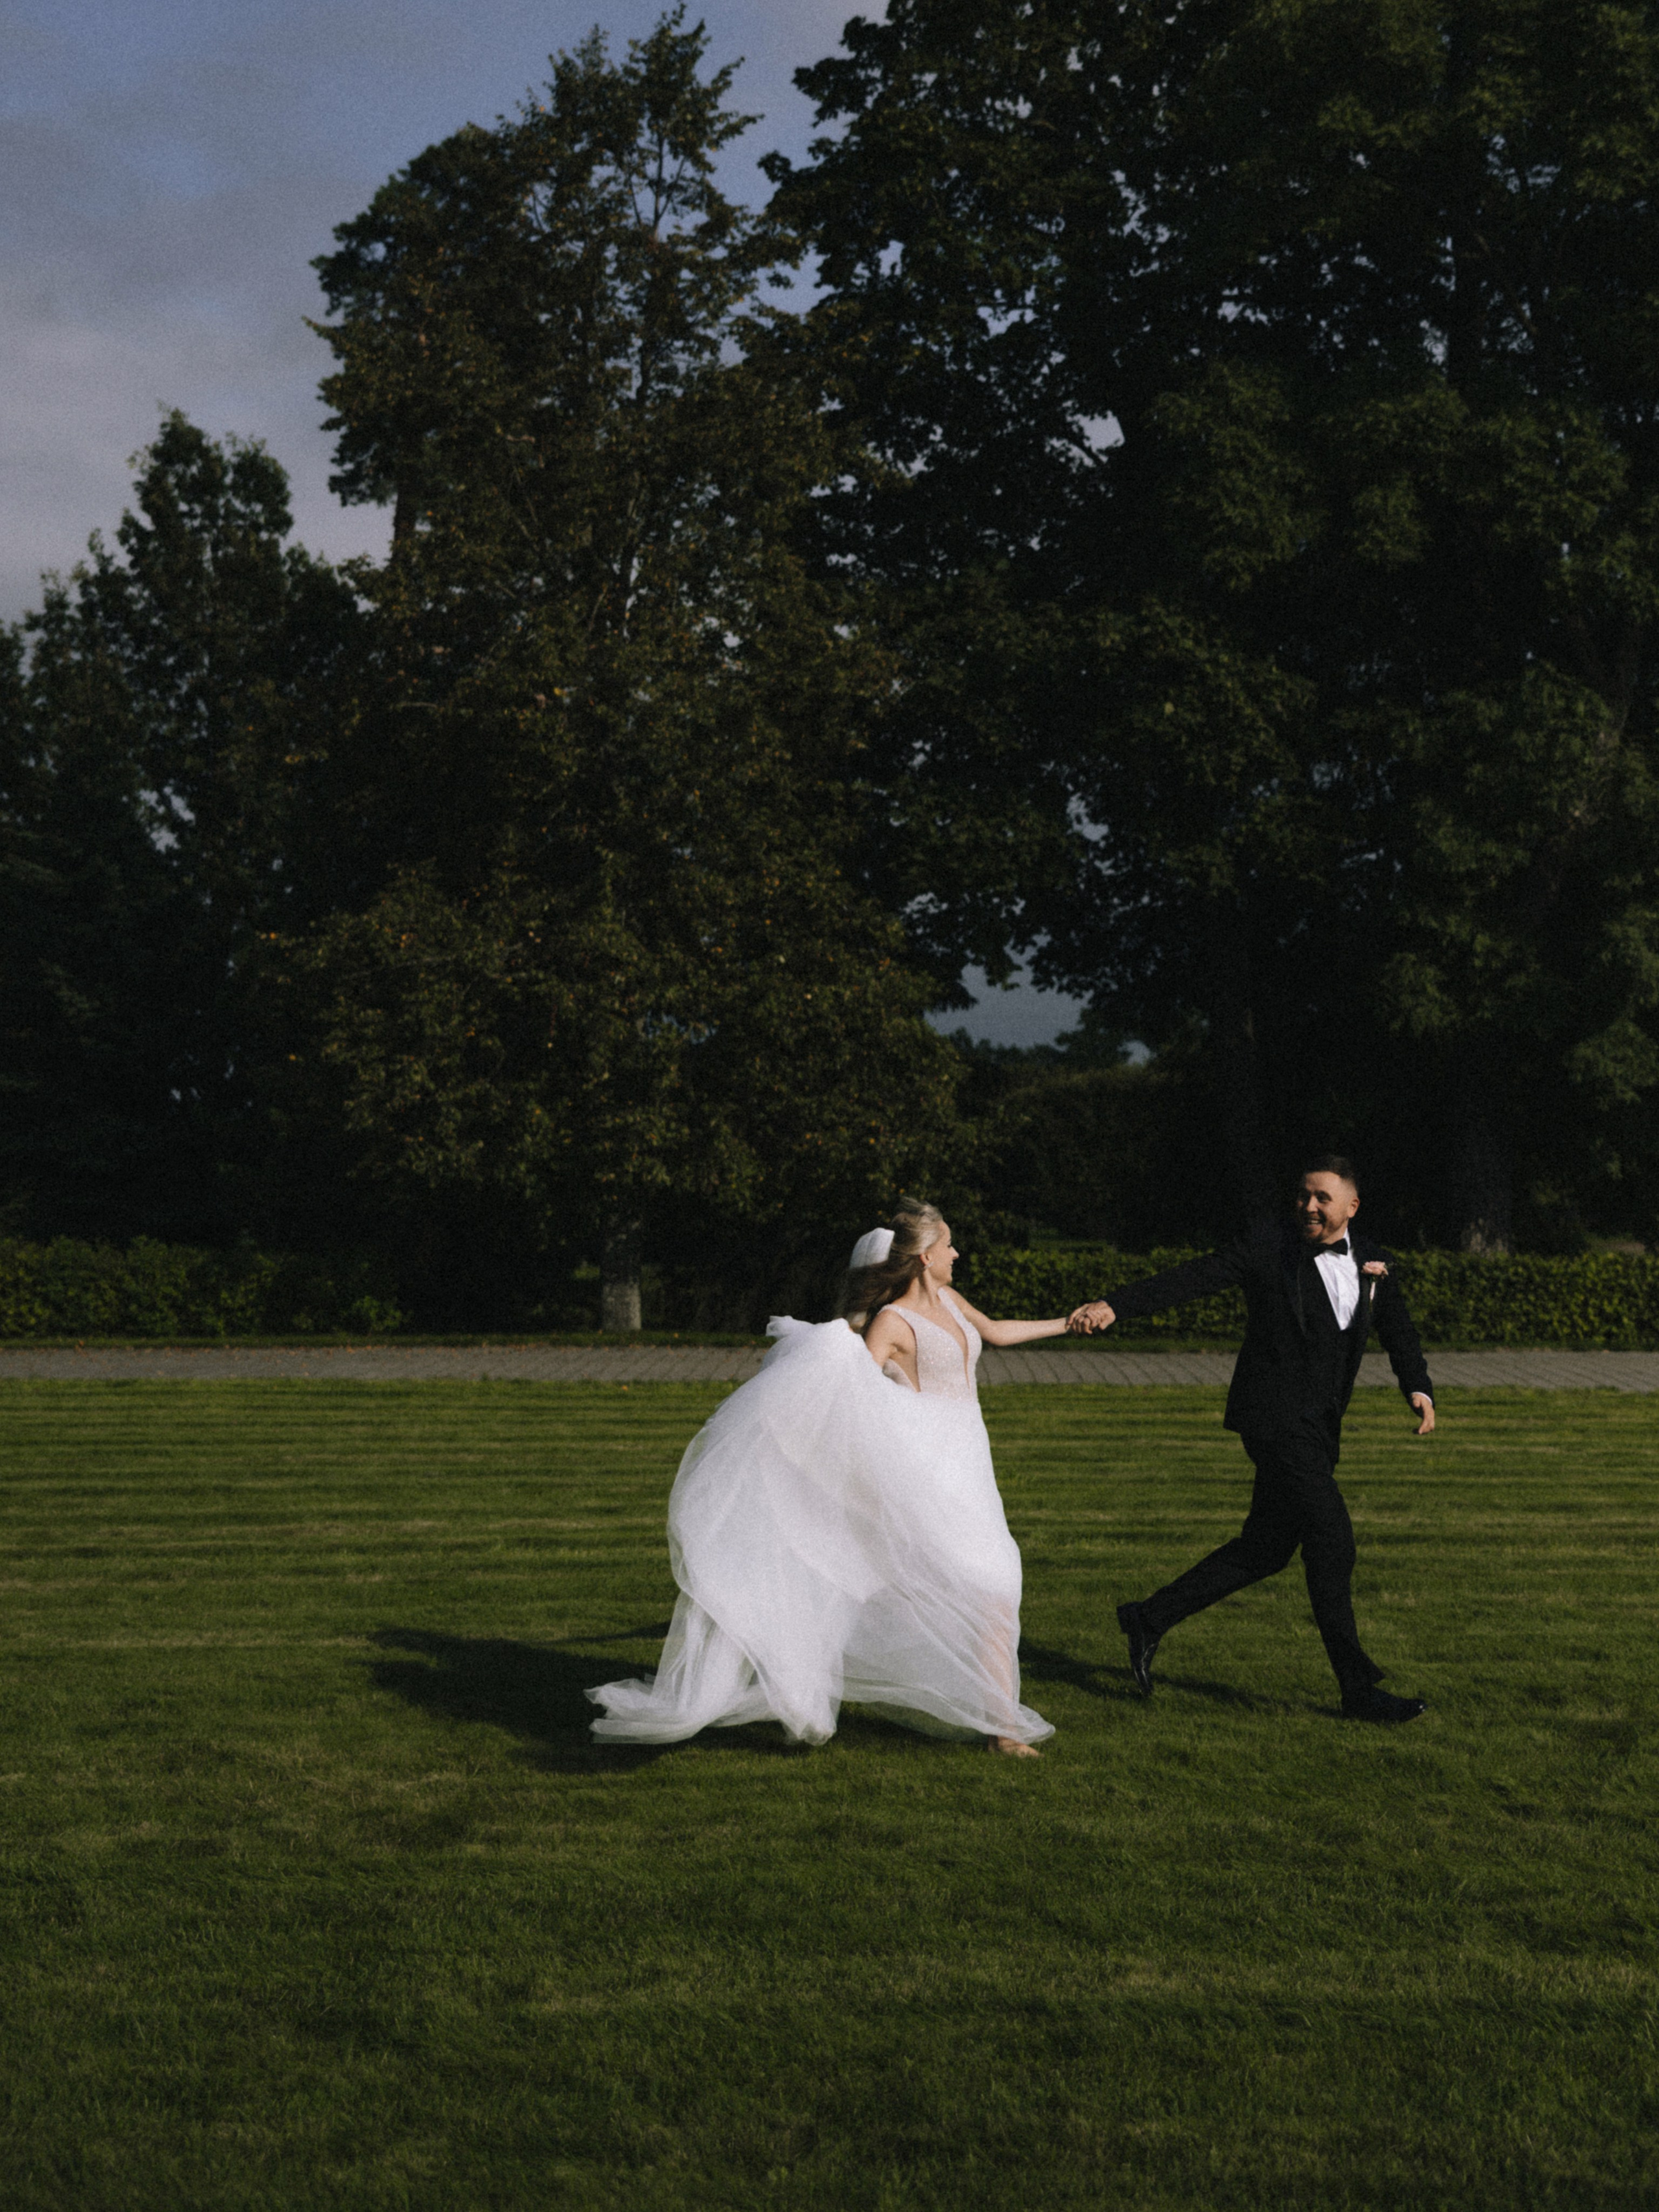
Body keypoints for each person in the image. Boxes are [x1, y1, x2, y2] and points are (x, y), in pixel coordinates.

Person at [588, 1201, 1076, 1755]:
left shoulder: (949, 1300)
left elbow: (997, 1332)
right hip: (928, 1470)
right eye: (948, 1244)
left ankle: (1001, 1730)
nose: (956, 1253)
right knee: (985, 1586)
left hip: (971, 1467)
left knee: (998, 1589)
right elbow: (848, 1396)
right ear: (923, 1257)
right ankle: (1003, 1733)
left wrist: (1069, 1320)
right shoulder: (892, 1323)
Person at [1071, 1155, 1435, 1723]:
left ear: (1351, 1207)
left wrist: (1418, 1386)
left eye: (1321, 1198)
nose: (1308, 1206)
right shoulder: (1270, 1247)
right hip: (1273, 1420)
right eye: (1302, 1195)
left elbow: (1399, 1328)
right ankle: (1358, 1690)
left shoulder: (1372, 1260)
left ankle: (1149, 1618)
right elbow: (1195, 1276)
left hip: (1318, 1430)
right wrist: (1117, 1305)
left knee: (1265, 1549)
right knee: (1332, 1540)